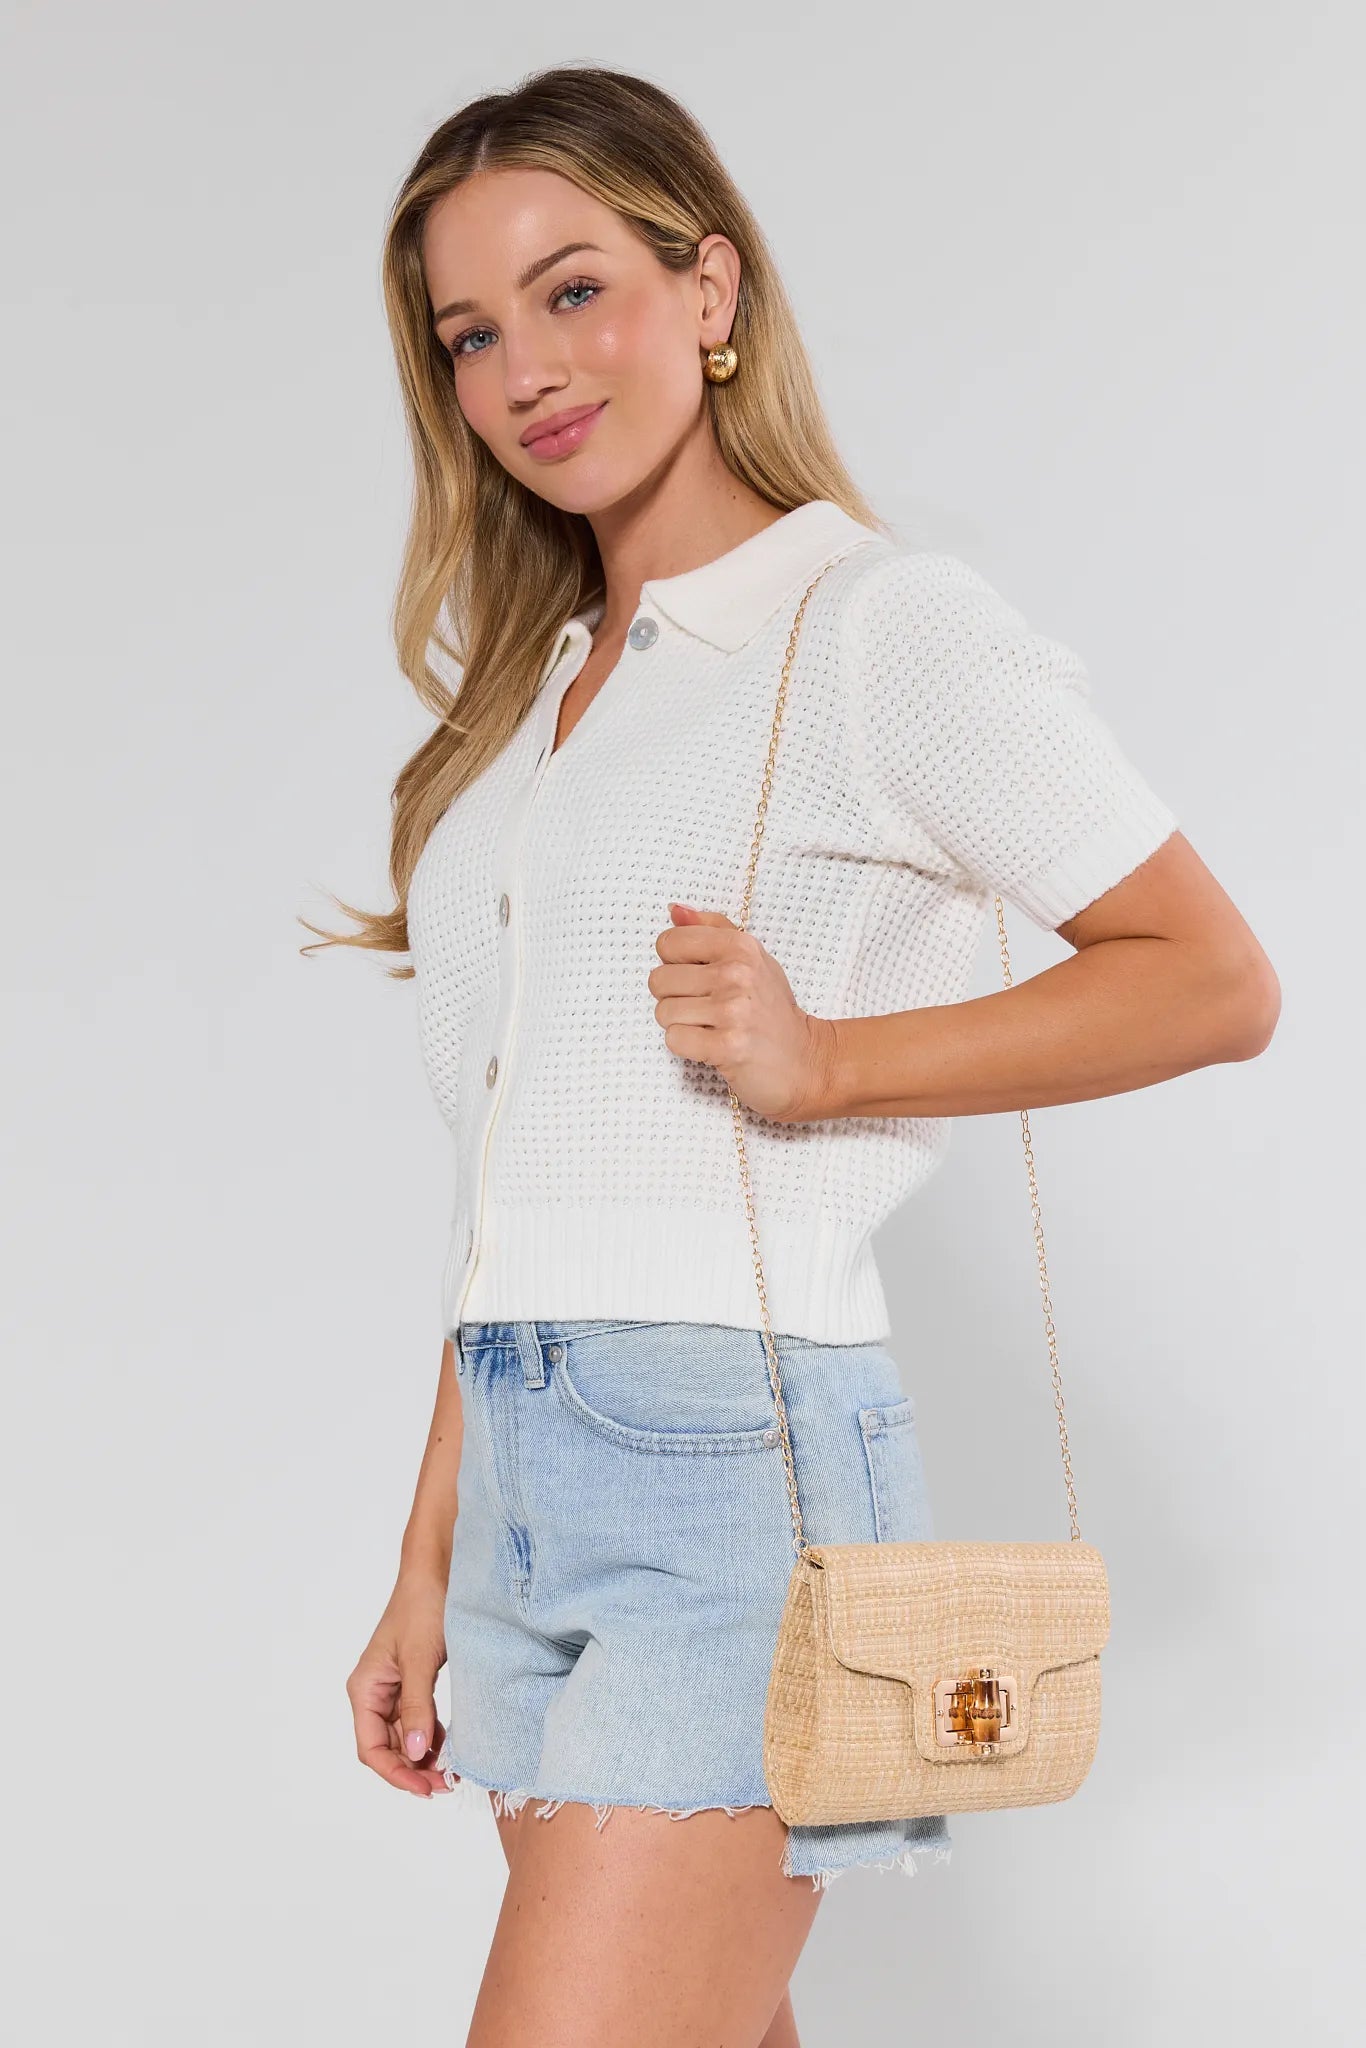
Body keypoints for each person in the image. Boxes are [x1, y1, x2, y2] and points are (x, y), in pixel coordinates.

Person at [302, 62, 1280, 2048]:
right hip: (518, 1481)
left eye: (574, 290)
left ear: (710, 286)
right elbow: (516, 1195)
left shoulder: (873, 627)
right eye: (468, 334)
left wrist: (829, 1059)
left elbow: (1207, 974)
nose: (523, 371)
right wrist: (423, 1556)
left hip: (738, 1482)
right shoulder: (536, 715)